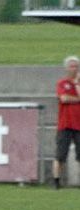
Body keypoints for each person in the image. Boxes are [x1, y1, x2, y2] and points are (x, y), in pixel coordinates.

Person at [53, 56, 80, 189]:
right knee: (60, 155)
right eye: (71, 66)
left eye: (76, 66)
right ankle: (56, 181)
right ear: (66, 68)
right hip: (65, 124)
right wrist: (77, 98)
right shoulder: (62, 83)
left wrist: (77, 84)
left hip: (78, 124)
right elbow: (63, 98)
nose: (74, 69)